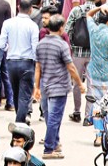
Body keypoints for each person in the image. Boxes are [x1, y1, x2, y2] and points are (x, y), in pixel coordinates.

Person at [33, 14, 85, 159]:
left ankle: (55, 143)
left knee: (50, 117)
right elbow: (71, 67)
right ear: (61, 28)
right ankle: (49, 149)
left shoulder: (41, 44)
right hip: (59, 86)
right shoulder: (62, 45)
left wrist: (36, 87)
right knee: (54, 119)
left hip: (45, 85)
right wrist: (80, 84)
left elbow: (38, 68)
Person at [0, 0, 39, 124]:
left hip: (11, 62)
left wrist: (7, 48)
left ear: (18, 7)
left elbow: (0, 43)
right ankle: (19, 123)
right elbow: (35, 47)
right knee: (25, 95)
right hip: (27, 63)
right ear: (31, 10)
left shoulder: (8, 23)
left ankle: (19, 119)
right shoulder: (33, 26)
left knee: (15, 93)